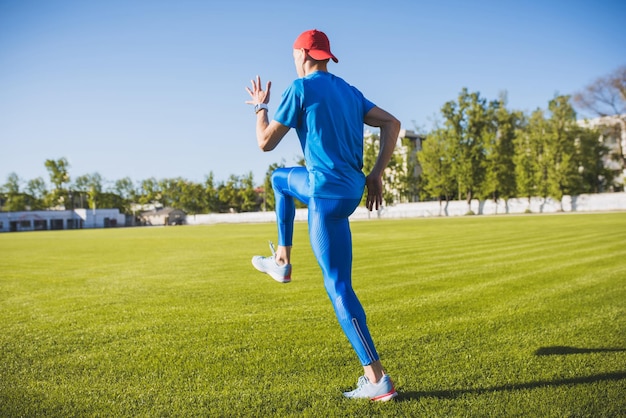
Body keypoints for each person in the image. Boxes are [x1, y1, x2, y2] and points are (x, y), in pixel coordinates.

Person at [245, 29, 401, 401]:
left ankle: (377, 379)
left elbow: (265, 142)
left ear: (301, 54)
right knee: (281, 180)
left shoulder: (300, 90)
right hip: (351, 192)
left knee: (338, 288)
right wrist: (376, 174)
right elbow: (392, 123)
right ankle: (281, 259)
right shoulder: (348, 90)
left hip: (324, 195)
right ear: (326, 57)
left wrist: (259, 106)